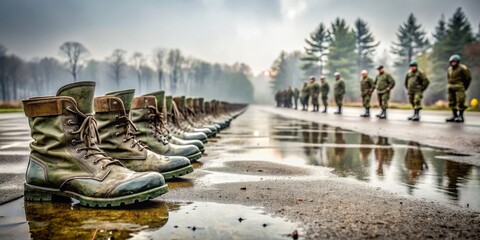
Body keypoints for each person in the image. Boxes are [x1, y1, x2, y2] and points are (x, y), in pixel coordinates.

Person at [445, 54, 472, 123]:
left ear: (458, 62)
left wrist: (464, 86)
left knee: (461, 101)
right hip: (451, 87)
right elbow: (448, 77)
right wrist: (449, 85)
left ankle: (461, 116)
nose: (453, 63)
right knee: (451, 101)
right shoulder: (449, 69)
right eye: (452, 62)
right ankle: (454, 115)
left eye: (455, 62)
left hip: (459, 86)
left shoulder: (462, 68)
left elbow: (468, 78)